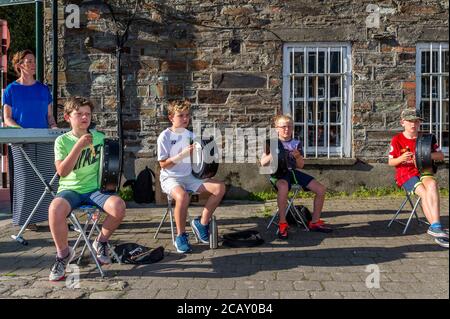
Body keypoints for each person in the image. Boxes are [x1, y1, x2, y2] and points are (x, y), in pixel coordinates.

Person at [48, 97, 126, 281]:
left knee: (119, 206)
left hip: (94, 190)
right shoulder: (62, 141)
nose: (84, 117)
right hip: (70, 189)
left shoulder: (100, 138)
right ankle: (63, 254)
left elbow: (109, 168)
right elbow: (62, 172)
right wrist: (78, 146)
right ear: (68, 117)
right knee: (54, 209)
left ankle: (101, 241)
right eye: (79, 114)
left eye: (88, 114)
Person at [157, 100, 225, 253]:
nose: (185, 119)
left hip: (190, 177)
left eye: (187, 115)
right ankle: (180, 236)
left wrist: (207, 153)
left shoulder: (191, 135)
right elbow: (163, 164)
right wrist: (181, 155)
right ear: (171, 118)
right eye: (181, 115)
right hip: (171, 178)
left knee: (220, 188)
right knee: (182, 197)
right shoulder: (164, 136)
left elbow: (198, 162)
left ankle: (201, 223)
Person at [2, 50, 57, 231]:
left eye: (34, 61)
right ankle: (27, 219)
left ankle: (50, 215)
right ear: (19, 66)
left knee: (47, 179)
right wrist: (21, 132)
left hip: (43, 140)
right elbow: (7, 118)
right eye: (29, 61)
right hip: (20, 142)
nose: (33, 64)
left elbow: (49, 116)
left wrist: (54, 129)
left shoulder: (43, 89)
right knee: (25, 180)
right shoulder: (11, 90)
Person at [260, 114, 331, 239]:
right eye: (283, 127)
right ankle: (283, 223)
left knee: (321, 189)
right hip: (278, 174)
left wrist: (298, 156)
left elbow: (301, 165)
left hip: (292, 172)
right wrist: (273, 154)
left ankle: (314, 222)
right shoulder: (271, 143)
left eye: (289, 127)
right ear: (276, 128)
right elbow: (262, 162)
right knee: (283, 188)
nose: (286, 129)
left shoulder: (296, 143)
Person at [388, 108, 448, 248]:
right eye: (409, 121)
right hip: (405, 174)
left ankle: (435, 227)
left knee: (432, 185)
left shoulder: (426, 138)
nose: (413, 124)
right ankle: (436, 226)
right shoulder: (397, 139)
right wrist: (402, 158)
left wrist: (424, 155)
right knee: (424, 192)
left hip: (424, 170)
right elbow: (391, 162)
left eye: (416, 121)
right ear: (402, 122)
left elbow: (440, 156)